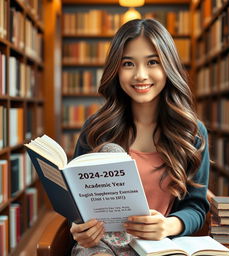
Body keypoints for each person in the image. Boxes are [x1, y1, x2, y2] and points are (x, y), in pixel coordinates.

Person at [70, 18, 210, 256]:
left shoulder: (192, 132)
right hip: (100, 247)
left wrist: (168, 225)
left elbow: (196, 206)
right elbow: (76, 203)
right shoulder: (95, 129)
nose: (140, 75)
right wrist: (78, 227)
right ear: (116, 69)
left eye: (152, 62)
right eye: (128, 64)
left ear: (168, 67)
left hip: (158, 246)